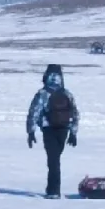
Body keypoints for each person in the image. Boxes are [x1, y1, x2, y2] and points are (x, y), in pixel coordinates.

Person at [26, 65, 78, 199]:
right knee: (55, 159)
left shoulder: (42, 94)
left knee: (53, 161)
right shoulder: (67, 93)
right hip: (64, 129)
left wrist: (31, 132)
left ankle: (53, 191)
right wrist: (73, 133)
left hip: (48, 129)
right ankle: (53, 189)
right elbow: (75, 114)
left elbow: (34, 113)